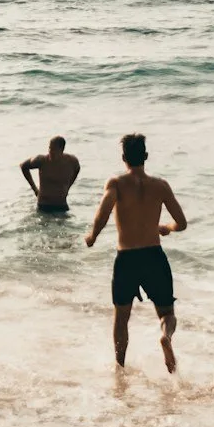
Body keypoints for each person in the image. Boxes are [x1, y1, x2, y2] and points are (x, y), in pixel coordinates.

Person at [84, 132, 186, 372]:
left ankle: (120, 367)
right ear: (146, 156)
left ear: (123, 158)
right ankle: (166, 337)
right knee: (167, 313)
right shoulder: (160, 186)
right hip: (154, 256)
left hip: (127, 259)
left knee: (121, 318)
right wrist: (166, 228)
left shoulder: (116, 184)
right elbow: (181, 223)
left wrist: (92, 236)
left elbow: (104, 212)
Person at [21, 135, 81, 213]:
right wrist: (35, 189)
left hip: (62, 205)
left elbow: (77, 169)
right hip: (44, 205)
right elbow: (23, 166)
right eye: (49, 148)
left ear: (62, 150)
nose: (50, 152)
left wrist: (68, 186)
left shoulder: (71, 161)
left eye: (54, 149)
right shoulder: (41, 160)